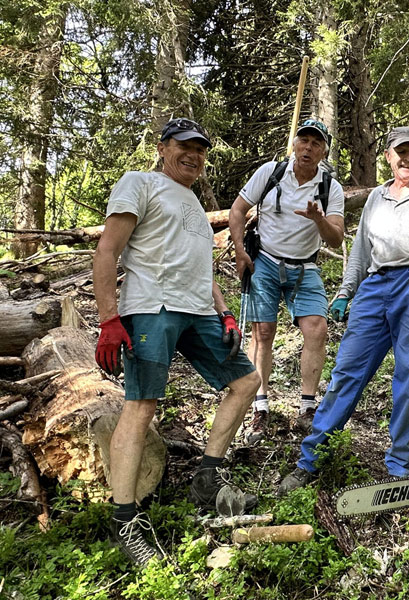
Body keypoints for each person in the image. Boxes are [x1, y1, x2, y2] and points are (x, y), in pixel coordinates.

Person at [278, 125, 409, 495]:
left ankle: (401, 468)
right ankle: (311, 460)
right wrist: (345, 292)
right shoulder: (375, 197)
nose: (406, 159)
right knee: (347, 371)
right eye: (399, 152)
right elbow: (360, 251)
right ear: (388, 156)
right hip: (375, 287)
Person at [93, 118, 261, 566]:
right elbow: (107, 249)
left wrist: (224, 312)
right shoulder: (140, 183)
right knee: (142, 404)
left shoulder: (194, 204)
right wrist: (109, 319)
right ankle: (125, 520)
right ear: (164, 148)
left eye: (200, 149)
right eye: (184, 146)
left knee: (246, 381)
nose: (194, 155)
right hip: (152, 307)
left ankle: (208, 478)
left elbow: (202, 271)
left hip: (198, 311)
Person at [228, 119, 345, 443]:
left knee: (317, 329)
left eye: (316, 143)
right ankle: (260, 406)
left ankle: (307, 407)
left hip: (305, 267)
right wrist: (240, 250)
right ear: (295, 143)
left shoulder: (329, 187)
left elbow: (335, 238)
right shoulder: (271, 173)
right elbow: (238, 210)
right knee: (262, 332)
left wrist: (319, 218)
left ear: (323, 151)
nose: (308, 148)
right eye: (304, 141)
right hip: (264, 260)